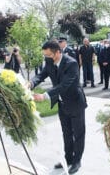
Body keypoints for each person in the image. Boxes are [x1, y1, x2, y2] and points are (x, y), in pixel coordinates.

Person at [30, 40, 87, 174]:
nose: (46, 58)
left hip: (75, 103)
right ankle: (67, 159)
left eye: (48, 55)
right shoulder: (50, 61)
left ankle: (77, 161)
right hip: (62, 104)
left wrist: (44, 96)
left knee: (78, 134)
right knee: (66, 134)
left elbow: (64, 85)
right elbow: (41, 75)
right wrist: (31, 83)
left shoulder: (71, 63)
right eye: (45, 55)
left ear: (58, 52)